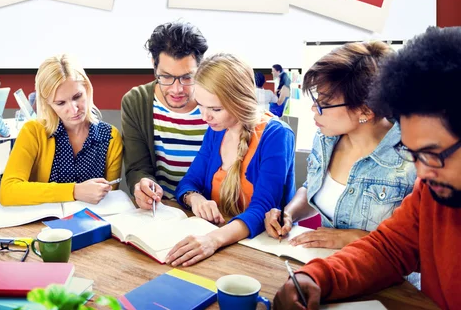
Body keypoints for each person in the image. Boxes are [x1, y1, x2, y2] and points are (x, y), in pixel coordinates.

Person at [273, 27, 461, 310]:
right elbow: (390, 248)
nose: (420, 174)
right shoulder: (431, 189)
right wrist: (315, 277)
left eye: (432, 154)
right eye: (411, 152)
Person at [264, 41, 416, 250]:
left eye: (324, 104)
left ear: (366, 110)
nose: (313, 109)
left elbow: (423, 246)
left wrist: (351, 238)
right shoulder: (326, 138)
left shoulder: (414, 159)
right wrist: (289, 213)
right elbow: (312, 187)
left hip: (390, 281)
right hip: (327, 268)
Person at [166, 53, 296, 267]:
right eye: (200, 105)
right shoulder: (216, 129)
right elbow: (189, 182)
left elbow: (262, 209)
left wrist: (212, 240)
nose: (204, 117)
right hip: (221, 245)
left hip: (259, 252)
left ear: (240, 101)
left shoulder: (276, 135)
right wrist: (195, 199)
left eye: (215, 109)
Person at [0, 54, 123, 206]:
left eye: (77, 96)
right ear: (48, 103)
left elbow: (110, 200)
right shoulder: (33, 132)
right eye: (60, 103)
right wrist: (74, 191)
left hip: (92, 224)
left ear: (87, 89)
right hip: (41, 226)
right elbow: (8, 191)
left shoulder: (110, 137)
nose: (73, 109)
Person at [122, 21, 209, 210]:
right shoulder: (136, 102)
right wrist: (142, 184)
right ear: (154, 65)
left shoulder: (216, 103)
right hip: (162, 209)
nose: (176, 89)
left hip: (212, 210)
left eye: (187, 77)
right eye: (166, 77)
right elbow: (138, 168)